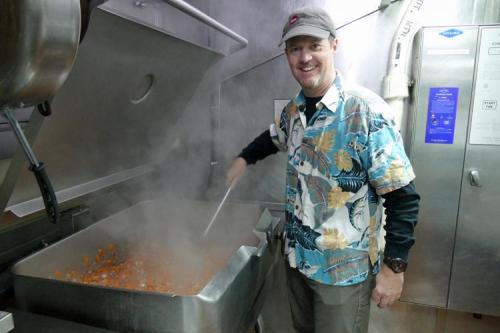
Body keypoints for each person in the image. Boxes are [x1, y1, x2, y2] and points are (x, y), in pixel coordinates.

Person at [226, 6, 420, 333]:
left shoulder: (366, 112)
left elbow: (404, 198)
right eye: (295, 48)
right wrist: (243, 158)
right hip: (298, 261)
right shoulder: (296, 108)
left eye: (314, 45)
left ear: (333, 45)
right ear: (287, 55)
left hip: (343, 276)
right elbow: (274, 137)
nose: (304, 57)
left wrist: (394, 268)